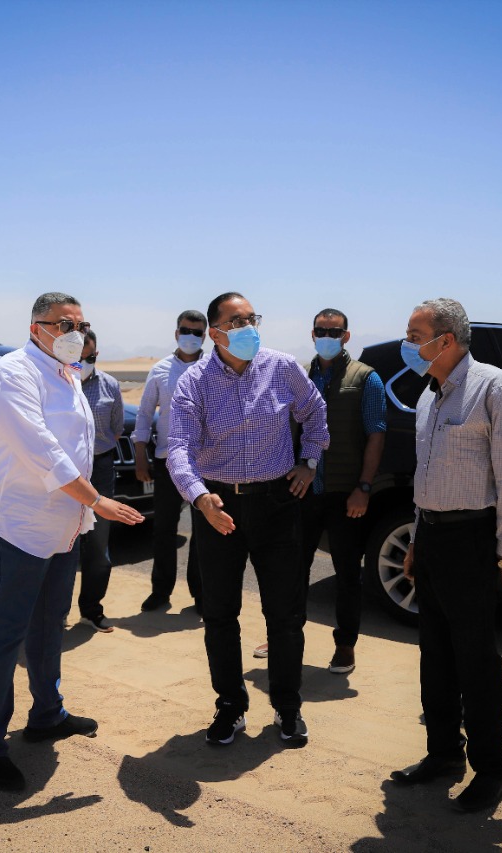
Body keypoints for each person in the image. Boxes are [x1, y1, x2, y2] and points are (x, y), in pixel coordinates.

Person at [0, 292, 144, 791]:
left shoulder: (67, 375)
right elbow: (42, 451)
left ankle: (47, 714)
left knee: (47, 627)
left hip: (62, 525)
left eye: (80, 325)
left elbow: (79, 445)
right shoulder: (13, 374)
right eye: (64, 324)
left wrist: (84, 507)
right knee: (5, 634)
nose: (74, 334)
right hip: (16, 527)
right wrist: (98, 500)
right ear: (36, 327)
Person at [388, 297, 502, 813]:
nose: (407, 343)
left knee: (475, 660)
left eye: (414, 334)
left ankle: (494, 769)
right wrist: (416, 542)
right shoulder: (430, 395)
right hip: (431, 538)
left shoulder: (495, 388)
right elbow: (426, 476)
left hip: (472, 539)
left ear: (445, 339)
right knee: (435, 656)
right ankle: (444, 754)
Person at [167, 292, 328, 748]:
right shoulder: (194, 382)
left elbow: (315, 412)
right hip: (218, 508)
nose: (249, 328)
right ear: (215, 333)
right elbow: (178, 446)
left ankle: (287, 706)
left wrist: (309, 461)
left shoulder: (282, 367)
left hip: (278, 503)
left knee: (285, 614)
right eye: (237, 322)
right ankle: (230, 706)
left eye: (252, 318)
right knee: (219, 614)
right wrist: (200, 498)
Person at [253, 308, 386, 672]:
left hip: (346, 493)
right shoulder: (299, 374)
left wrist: (364, 487)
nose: (327, 337)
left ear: (346, 336)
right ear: (312, 335)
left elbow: (376, 435)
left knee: (347, 573)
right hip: (302, 491)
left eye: (334, 331)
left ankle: (345, 645)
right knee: (292, 570)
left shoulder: (366, 378)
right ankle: (283, 636)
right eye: (321, 331)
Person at [133, 310, 207, 612]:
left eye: (197, 332)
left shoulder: (214, 368)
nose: (190, 336)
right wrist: (140, 454)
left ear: (205, 336)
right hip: (167, 462)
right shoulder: (160, 370)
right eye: (185, 330)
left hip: (204, 463)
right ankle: (160, 591)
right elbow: (144, 413)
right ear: (176, 333)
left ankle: (201, 595)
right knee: (163, 530)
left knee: (203, 532)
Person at [77, 330, 125, 632]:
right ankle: (53, 612)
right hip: (64, 470)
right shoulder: (54, 383)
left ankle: (92, 609)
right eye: (79, 357)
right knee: (61, 542)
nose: (85, 362)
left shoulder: (110, 385)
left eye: (90, 357)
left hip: (100, 468)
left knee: (97, 543)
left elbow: (116, 428)